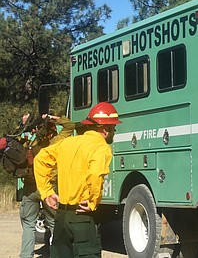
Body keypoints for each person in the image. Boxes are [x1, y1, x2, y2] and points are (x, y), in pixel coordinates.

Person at [33, 103, 121, 258]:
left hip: (61, 216)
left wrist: (47, 192)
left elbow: (40, 159)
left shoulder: (68, 142)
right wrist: (93, 201)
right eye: (113, 127)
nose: (114, 131)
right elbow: (95, 174)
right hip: (82, 215)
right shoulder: (101, 147)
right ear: (105, 129)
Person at [19, 113, 75, 258]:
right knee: (53, 223)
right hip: (49, 188)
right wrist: (54, 117)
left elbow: (15, 138)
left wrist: (29, 125)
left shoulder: (28, 143)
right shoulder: (56, 142)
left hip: (30, 187)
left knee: (28, 225)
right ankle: (57, 254)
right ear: (52, 131)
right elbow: (70, 126)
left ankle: (26, 255)